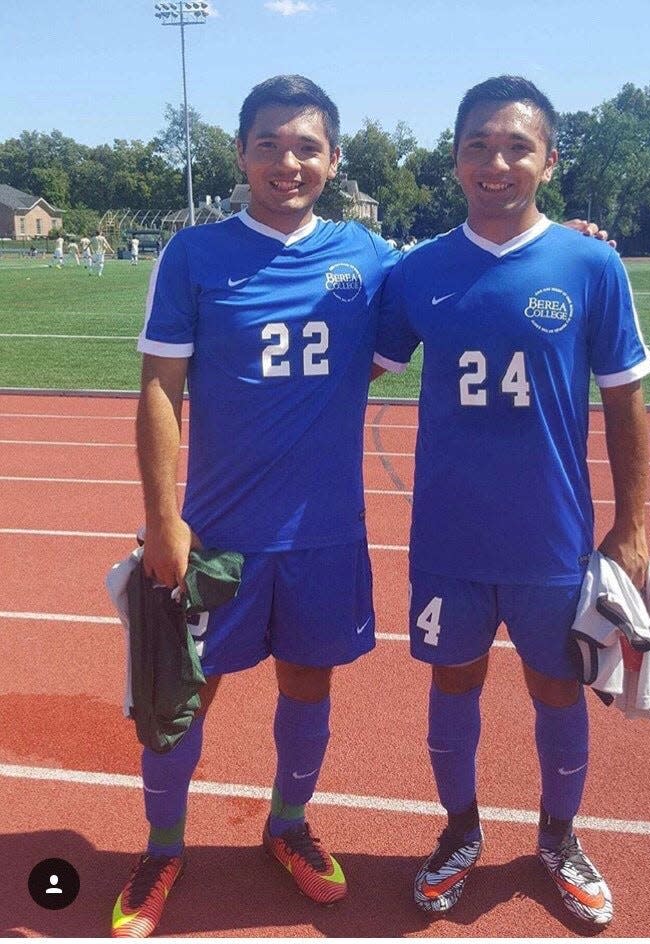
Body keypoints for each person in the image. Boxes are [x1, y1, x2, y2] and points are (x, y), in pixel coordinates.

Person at [112, 74, 401, 939]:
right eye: (269, 143)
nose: (288, 161)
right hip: (219, 534)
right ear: (240, 153)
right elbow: (160, 388)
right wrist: (164, 518)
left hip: (322, 535)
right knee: (182, 700)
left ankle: (286, 827)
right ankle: (165, 845)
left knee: (307, 685)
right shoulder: (196, 255)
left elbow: (462, 286)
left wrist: (566, 239)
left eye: (307, 145)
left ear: (335, 159)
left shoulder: (371, 258)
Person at [373, 75, 650, 928]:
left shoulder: (589, 263)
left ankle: (558, 839)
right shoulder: (416, 271)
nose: (496, 162)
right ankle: (460, 833)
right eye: (477, 146)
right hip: (449, 541)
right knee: (452, 686)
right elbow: (354, 375)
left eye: (516, 146)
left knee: (557, 693)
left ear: (548, 159)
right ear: (454, 157)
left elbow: (626, 398)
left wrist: (633, 525)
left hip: (552, 544)